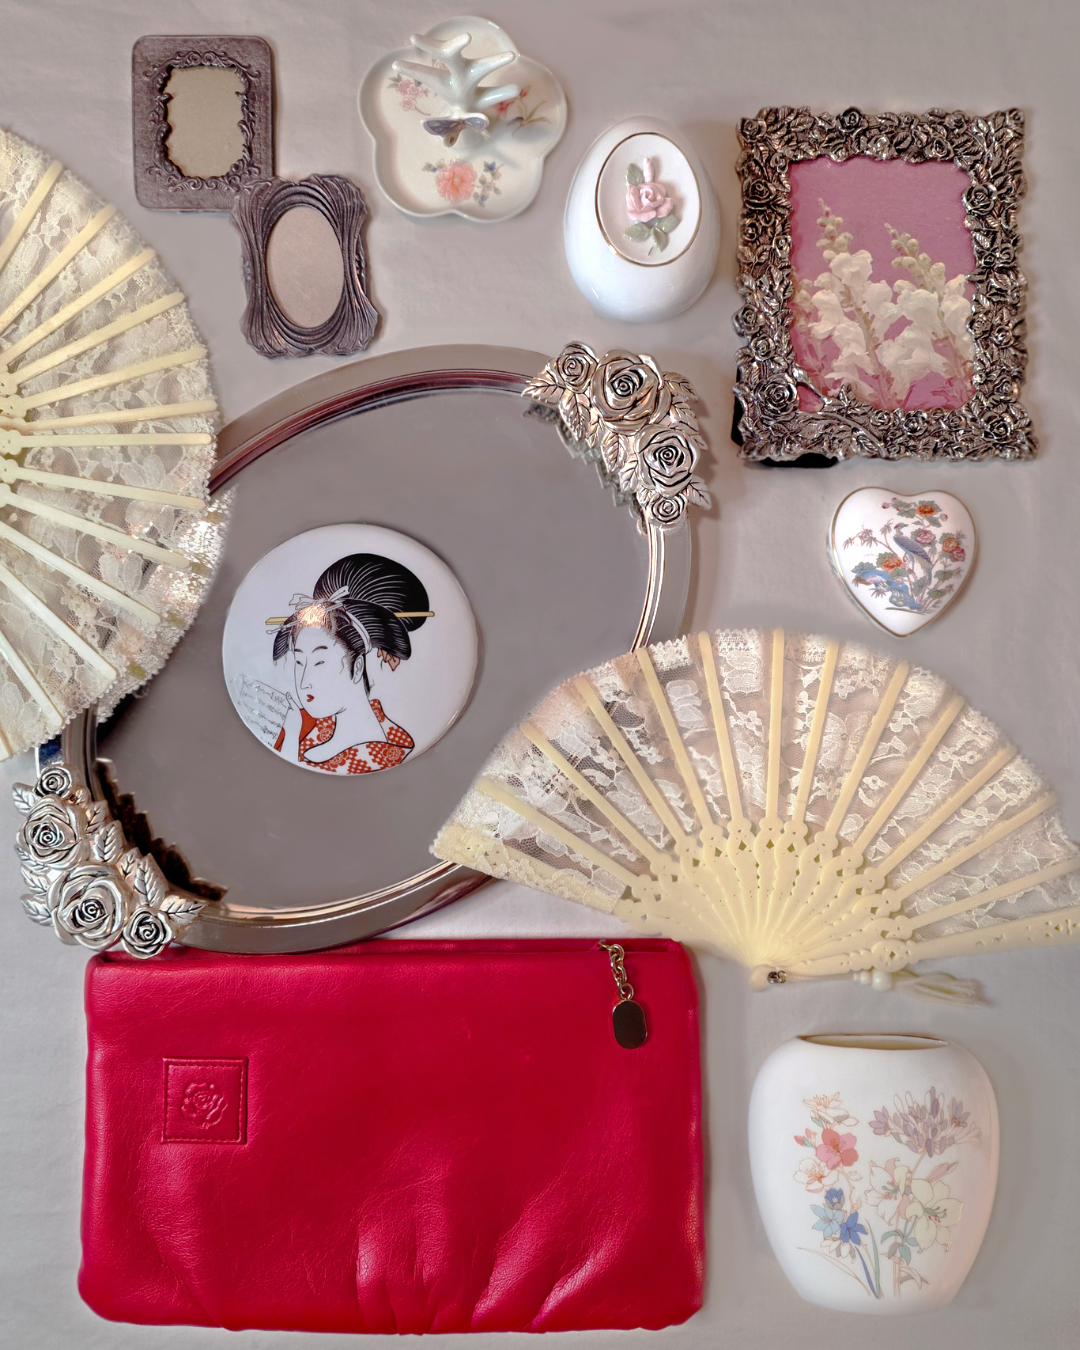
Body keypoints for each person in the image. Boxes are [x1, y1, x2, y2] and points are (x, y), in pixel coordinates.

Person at [270, 553, 432, 774]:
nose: (304, 682)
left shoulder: (378, 759)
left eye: (319, 663)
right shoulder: (307, 725)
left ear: (357, 668)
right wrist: (292, 731)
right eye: (299, 662)